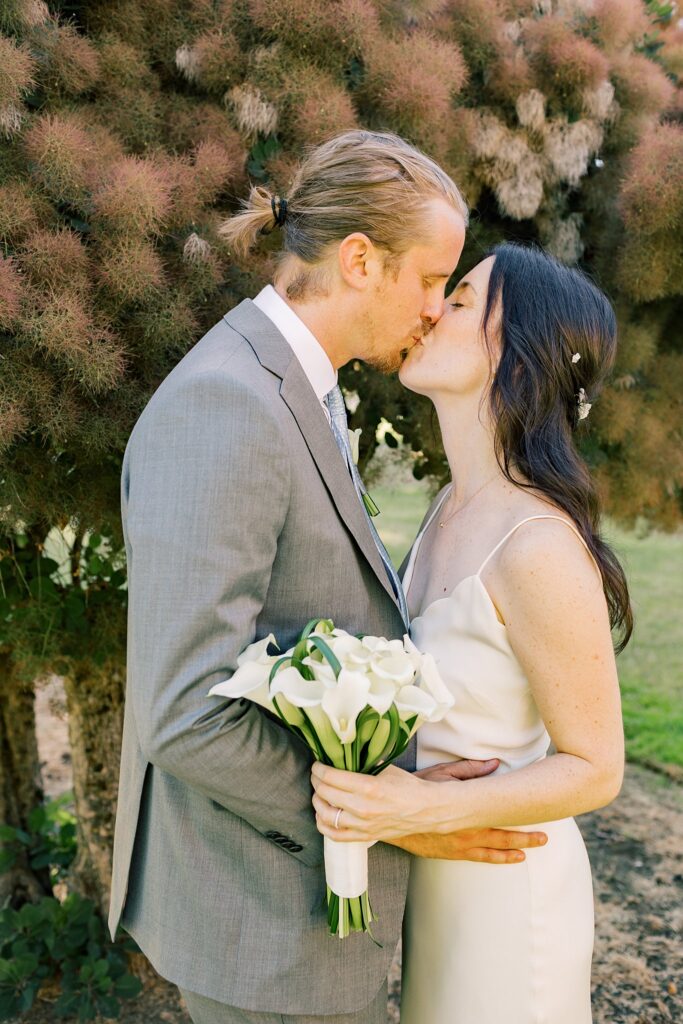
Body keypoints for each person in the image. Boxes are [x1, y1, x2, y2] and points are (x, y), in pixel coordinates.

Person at [107, 132, 548, 1024]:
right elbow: (185, 713)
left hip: (287, 918)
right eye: (432, 280)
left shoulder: (292, 384)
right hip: (258, 922)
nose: (435, 309)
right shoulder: (227, 403)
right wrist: (394, 810)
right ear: (358, 261)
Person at [311, 242, 632, 1023]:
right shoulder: (448, 510)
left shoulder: (536, 545)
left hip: (507, 895)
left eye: (458, 301)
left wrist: (416, 812)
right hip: (440, 879)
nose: (428, 310)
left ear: (515, 361)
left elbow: (596, 769)